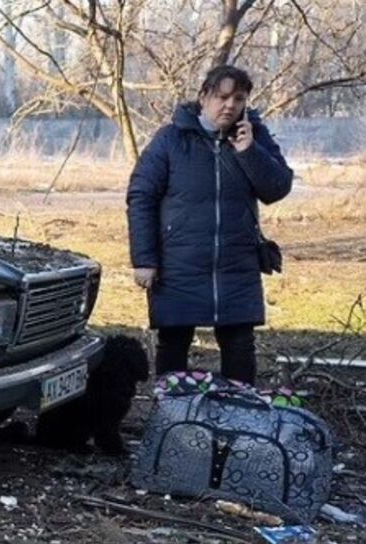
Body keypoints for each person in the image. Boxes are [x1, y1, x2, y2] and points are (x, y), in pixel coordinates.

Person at [126, 65, 293, 385]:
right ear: (204, 96)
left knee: (240, 346)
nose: (230, 105)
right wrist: (144, 259)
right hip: (179, 264)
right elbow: (141, 196)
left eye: (239, 98)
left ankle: (241, 417)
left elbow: (277, 188)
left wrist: (249, 152)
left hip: (236, 264)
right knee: (174, 344)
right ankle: (172, 419)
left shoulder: (254, 136)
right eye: (222, 96)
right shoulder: (171, 139)